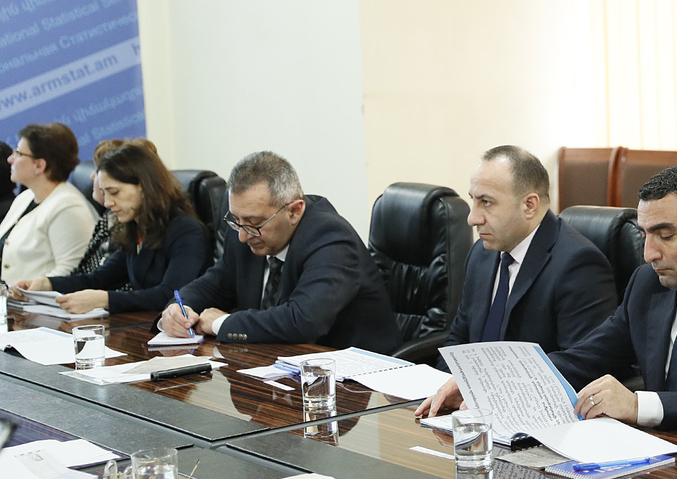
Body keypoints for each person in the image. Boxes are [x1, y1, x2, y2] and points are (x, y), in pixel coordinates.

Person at [420, 163, 677, 446]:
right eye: (645, 235)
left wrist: (638, 405)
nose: (649, 253)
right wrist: (490, 381)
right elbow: (587, 356)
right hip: (666, 457)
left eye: (665, 235)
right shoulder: (648, 284)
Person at [160, 150, 401, 353]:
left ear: (294, 211)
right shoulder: (246, 230)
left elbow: (302, 321)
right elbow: (213, 284)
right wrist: (179, 310)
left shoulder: (330, 238)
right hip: (276, 367)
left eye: (254, 223)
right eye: (236, 221)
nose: (243, 235)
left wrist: (221, 323)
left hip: (356, 379)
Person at [440, 145, 618, 355]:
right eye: (474, 200)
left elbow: (582, 361)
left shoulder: (579, 265)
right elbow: (459, 338)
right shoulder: (481, 253)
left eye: (486, 202)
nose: (472, 218)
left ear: (529, 205)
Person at [15, 143, 210, 313]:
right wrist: (47, 283)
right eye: (104, 193)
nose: (108, 203)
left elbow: (170, 295)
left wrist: (105, 300)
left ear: (144, 187)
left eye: (114, 192)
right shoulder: (136, 228)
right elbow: (99, 279)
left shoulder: (186, 231)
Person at [0, 123, 97, 284]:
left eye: (18, 153)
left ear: (39, 165)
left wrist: (25, 292)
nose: (10, 159)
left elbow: (69, 273)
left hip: (34, 299)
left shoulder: (68, 208)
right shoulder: (25, 197)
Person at [71, 138, 159, 277]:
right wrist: (49, 284)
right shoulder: (112, 218)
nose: (92, 176)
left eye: (98, 170)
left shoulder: (129, 223)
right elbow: (94, 276)